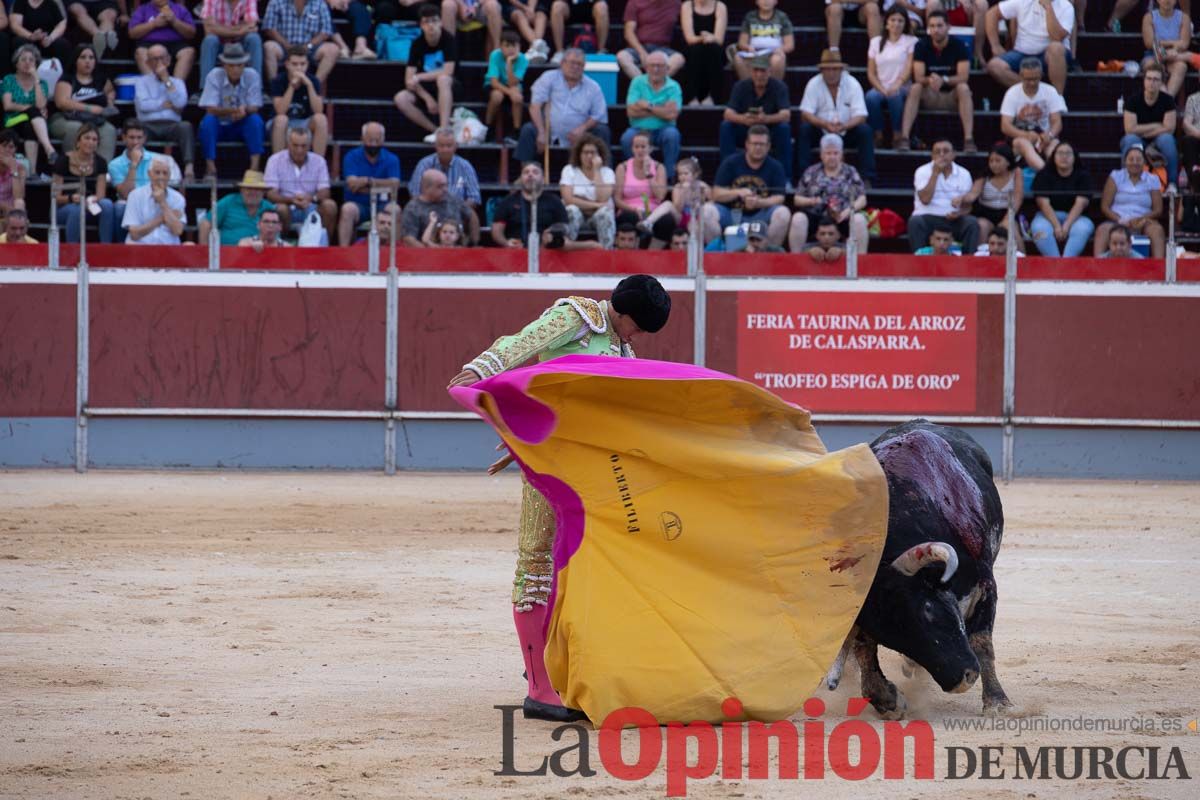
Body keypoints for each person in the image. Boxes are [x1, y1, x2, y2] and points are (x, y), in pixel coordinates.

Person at [446, 273, 671, 722]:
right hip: (549, 466)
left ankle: (570, 675)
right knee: (536, 563)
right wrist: (480, 371)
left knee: (585, 563)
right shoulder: (578, 317)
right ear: (622, 312)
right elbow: (522, 345)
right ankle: (539, 688)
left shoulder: (624, 350)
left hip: (588, 470)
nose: (638, 337)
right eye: (638, 327)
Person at [513, 49, 610, 164]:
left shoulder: (593, 87)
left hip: (580, 135)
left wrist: (582, 128)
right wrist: (541, 131)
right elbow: (535, 106)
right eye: (572, 63)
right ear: (562, 63)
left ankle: (605, 174)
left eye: (579, 64)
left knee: (602, 131)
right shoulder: (548, 78)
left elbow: (599, 114)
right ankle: (526, 173)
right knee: (528, 130)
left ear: (584, 67)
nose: (575, 67)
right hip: (548, 131)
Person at [897, 10, 974, 153]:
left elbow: (964, 76)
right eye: (932, 26)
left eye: (939, 26)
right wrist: (931, 79)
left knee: (963, 87)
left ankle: (968, 139)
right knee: (915, 87)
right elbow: (919, 76)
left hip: (951, 96)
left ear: (948, 27)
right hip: (930, 95)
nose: (935, 30)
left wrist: (943, 79)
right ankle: (904, 137)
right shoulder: (921, 45)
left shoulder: (959, 46)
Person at [797, 49, 875, 187]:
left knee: (865, 131)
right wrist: (824, 124)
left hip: (846, 130)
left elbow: (861, 115)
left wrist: (845, 126)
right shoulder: (814, 84)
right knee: (804, 130)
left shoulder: (852, 83)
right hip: (821, 130)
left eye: (835, 69)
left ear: (841, 70)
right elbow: (806, 113)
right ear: (822, 70)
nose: (831, 73)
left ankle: (867, 177)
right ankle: (803, 176)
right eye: (827, 69)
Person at [708, 124, 791, 248]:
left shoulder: (776, 166)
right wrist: (737, 192)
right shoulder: (731, 162)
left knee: (783, 213)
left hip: (761, 214)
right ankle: (718, 253)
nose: (758, 147)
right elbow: (716, 193)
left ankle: (769, 255)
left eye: (762, 144)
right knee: (706, 211)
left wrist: (759, 202)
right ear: (747, 144)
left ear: (768, 146)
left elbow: (779, 198)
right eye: (754, 143)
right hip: (731, 213)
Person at [788, 134, 868, 256]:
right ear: (821, 155)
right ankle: (796, 259)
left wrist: (848, 211)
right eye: (828, 153)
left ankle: (861, 261)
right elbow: (797, 199)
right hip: (816, 217)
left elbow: (862, 199)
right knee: (798, 218)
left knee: (859, 220)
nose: (832, 157)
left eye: (835, 153)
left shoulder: (850, 171)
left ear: (841, 155)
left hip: (842, 217)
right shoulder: (811, 171)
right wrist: (811, 201)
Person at [492, 161, 597, 250]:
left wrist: (553, 236)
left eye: (535, 172)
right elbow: (496, 230)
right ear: (521, 178)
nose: (530, 175)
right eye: (526, 172)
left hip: (548, 253)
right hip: (515, 253)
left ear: (543, 179)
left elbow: (564, 228)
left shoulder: (554, 201)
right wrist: (506, 243)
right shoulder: (508, 201)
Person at [198, 42, 264, 179]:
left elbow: (255, 106)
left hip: (242, 123)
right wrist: (233, 111)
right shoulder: (214, 75)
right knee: (207, 122)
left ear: (244, 65)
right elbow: (210, 108)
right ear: (224, 65)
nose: (235, 69)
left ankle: (254, 168)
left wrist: (244, 110)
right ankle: (211, 168)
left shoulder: (252, 75)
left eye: (239, 65)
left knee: (255, 121)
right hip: (220, 124)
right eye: (231, 65)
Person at [719, 57, 792, 178]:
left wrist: (766, 119)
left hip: (769, 130)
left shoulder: (779, 86)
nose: (759, 74)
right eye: (756, 70)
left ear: (769, 71)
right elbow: (728, 113)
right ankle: (727, 174)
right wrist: (743, 119)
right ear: (751, 72)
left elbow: (786, 115)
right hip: (746, 129)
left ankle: (785, 178)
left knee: (784, 128)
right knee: (726, 126)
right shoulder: (740, 86)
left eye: (763, 71)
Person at [394, 4, 459, 137]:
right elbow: (409, 79)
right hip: (426, 90)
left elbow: (448, 71)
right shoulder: (417, 44)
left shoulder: (449, 40)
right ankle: (435, 131)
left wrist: (420, 77)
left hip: (450, 87)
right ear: (421, 26)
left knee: (443, 79)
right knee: (401, 98)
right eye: (426, 22)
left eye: (434, 21)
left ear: (440, 22)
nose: (431, 25)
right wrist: (427, 98)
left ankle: (444, 127)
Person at [407, 127, 481, 243]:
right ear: (435, 146)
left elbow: (474, 197)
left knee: (471, 215)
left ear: (456, 146)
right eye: (441, 146)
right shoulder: (424, 164)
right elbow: (415, 194)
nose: (445, 149)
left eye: (449, 146)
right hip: (427, 210)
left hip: (455, 213)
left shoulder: (465, 166)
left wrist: (456, 207)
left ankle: (473, 247)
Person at [986, 0, 1075, 95]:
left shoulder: (1066, 6)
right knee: (994, 66)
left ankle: (1057, 98)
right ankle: (1037, 92)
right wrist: (995, 45)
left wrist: (1048, 7)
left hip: (1049, 56)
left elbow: (1057, 37)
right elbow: (992, 14)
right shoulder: (1023, 1)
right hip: (1022, 53)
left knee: (1056, 48)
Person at [134, 43, 196, 180]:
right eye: (154, 59)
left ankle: (189, 167)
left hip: (171, 125)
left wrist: (166, 80)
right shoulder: (141, 82)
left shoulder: (177, 82)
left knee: (185, 127)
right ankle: (134, 168)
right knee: (135, 129)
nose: (158, 63)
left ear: (168, 60)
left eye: (161, 58)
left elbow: (180, 103)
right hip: (147, 125)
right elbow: (143, 106)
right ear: (147, 62)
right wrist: (164, 104)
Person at [263, 126, 337, 239]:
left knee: (330, 206)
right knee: (281, 209)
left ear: (310, 145)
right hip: (286, 205)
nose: (299, 150)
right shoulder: (274, 160)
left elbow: (325, 191)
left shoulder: (319, 161)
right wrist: (291, 200)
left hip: (311, 206)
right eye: (295, 145)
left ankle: (325, 247)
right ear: (288, 144)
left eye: (304, 146)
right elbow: (270, 194)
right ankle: (281, 245)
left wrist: (311, 198)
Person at [908, 137, 980, 253]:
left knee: (971, 223)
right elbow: (925, 199)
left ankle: (968, 264)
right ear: (932, 155)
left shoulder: (964, 174)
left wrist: (959, 213)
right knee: (915, 222)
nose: (941, 155)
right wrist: (935, 173)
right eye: (937, 152)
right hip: (927, 218)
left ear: (954, 154)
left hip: (953, 220)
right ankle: (919, 264)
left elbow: (968, 207)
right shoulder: (922, 171)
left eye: (946, 151)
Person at [49, 44, 119, 162]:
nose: (88, 61)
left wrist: (110, 102)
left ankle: (101, 170)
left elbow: (111, 91)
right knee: (76, 128)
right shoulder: (67, 78)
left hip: (95, 120)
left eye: (91, 58)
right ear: (75, 60)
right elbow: (61, 102)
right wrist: (89, 108)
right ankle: (73, 166)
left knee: (109, 130)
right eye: (83, 57)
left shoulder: (100, 79)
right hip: (66, 119)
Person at [108, 119, 182, 228]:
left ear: (144, 138)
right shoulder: (114, 164)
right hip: (130, 204)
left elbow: (165, 188)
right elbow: (125, 194)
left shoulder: (158, 160)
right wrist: (133, 164)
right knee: (119, 209)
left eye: (139, 138)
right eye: (131, 137)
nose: (135, 142)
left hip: (154, 201)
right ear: (123, 138)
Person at [1095, 141, 1165, 257]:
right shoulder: (1116, 176)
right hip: (1117, 220)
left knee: (1157, 230)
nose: (1135, 163)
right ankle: (1097, 269)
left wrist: (1141, 219)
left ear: (1144, 162)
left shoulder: (1152, 179)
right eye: (1131, 159)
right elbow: (1105, 206)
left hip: (1143, 221)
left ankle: (1159, 269)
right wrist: (1120, 220)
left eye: (1138, 159)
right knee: (1102, 229)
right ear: (1125, 161)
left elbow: (1158, 210)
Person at [620, 50, 682, 179]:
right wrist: (662, 109)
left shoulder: (674, 86)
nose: (655, 69)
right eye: (652, 65)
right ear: (646, 68)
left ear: (667, 68)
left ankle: (668, 178)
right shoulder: (637, 82)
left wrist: (648, 106)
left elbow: (671, 115)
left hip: (664, 129)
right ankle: (633, 176)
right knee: (627, 138)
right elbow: (631, 111)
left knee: (672, 135)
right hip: (639, 129)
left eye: (660, 66)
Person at [337, 122, 401, 246]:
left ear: (383, 140)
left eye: (377, 140)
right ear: (362, 139)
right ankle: (343, 251)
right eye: (370, 140)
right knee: (347, 209)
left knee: (396, 209)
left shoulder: (391, 159)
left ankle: (395, 250)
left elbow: (395, 185)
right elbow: (352, 185)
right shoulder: (351, 156)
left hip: (382, 205)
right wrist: (382, 186)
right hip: (358, 204)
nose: (373, 144)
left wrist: (367, 181)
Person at [999, 56, 1065, 171]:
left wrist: (1049, 135)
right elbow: (1005, 126)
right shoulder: (1012, 93)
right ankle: (1045, 172)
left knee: (1055, 147)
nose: (1032, 83)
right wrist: (1026, 135)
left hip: (1044, 135)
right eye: (1028, 79)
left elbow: (1057, 122)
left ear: (1040, 75)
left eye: (1035, 79)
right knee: (1024, 144)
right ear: (1021, 75)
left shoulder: (1050, 91)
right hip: (1019, 136)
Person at [52, 123, 114, 242]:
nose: (90, 142)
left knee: (107, 204)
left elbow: (101, 194)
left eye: (94, 139)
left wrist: (90, 200)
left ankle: (106, 248)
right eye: (87, 138)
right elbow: (55, 196)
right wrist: (71, 198)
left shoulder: (100, 162)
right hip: (65, 208)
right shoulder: (63, 161)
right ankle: (72, 252)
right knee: (77, 209)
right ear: (78, 141)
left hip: (89, 205)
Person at [865, 5, 917, 147]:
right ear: (886, 23)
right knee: (871, 97)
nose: (896, 24)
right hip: (881, 85)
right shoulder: (875, 42)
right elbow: (871, 72)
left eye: (900, 21)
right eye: (893, 20)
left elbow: (909, 68)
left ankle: (897, 135)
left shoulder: (910, 41)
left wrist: (897, 84)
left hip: (903, 86)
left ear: (905, 23)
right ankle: (878, 134)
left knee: (895, 95)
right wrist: (880, 88)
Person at [1030, 140, 1093, 256]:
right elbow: (1043, 204)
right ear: (1053, 156)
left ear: (1075, 157)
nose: (1064, 157)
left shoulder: (1084, 176)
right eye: (1060, 153)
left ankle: (1066, 263)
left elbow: (1081, 203)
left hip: (1077, 218)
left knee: (1082, 229)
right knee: (1039, 228)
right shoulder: (1043, 175)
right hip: (1047, 217)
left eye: (1068, 154)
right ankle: (1055, 263)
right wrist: (1057, 226)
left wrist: (1066, 226)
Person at [1121, 62, 1179, 188]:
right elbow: (1130, 129)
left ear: (1161, 83)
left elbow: (1169, 128)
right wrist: (1158, 126)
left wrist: (1143, 130)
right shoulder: (1133, 101)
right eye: (1149, 79)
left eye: (1156, 79)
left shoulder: (1168, 101)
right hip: (1139, 139)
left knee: (1167, 140)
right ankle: (1125, 182)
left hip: (1159, 139)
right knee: (1130, 139)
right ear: (1144, 81)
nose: (1152, 82)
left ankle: (1172, 184)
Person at [613, 130, 674, 247]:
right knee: (629, 217)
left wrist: (648, 174)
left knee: (667, 221)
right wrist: (634, 209)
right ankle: (632, 249)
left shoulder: (659, 167)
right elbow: (617, 199)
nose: (640, 150)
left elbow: (661, 196)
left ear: (650, 149)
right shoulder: (622, 167)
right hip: (630, 210)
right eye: (636, 147)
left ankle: (652, 253)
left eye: (643, 147)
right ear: (632, 149)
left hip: (653, 212)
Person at [2, 45, 56, 174]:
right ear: (16, 64)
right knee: (33, 111)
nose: (28, 63)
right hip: (12, 121)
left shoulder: (42, 83)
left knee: (30, 126)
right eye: (23, 59)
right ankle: (49, 148)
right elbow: (7, 105)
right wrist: (29, 108)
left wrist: (36, 80)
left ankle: (31, 171)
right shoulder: (9, 79)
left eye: (31, 60)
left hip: (32, 123)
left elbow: (41, 104)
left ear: (36, 64)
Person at [640, 155, 718, 242]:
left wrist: (702, 204)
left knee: (694, 225)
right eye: (680, 174)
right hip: (682, 217)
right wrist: (683, 192)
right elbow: (678, 208)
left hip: (697, 218)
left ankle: (697, 251)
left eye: (686, 173)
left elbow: (713, 200)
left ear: (695, 175)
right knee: (668, 204)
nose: (682, 176)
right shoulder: (677, 187)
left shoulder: (702, 186)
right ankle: (648, 222)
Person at [559, 134, 616, 249]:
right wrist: (596, 205)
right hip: (578, 213)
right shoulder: (569, 170)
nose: (589, 156)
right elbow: (568, 200)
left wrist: (596, 170)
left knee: (605, 213)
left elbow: (603, 198)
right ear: (579, 155)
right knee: (571, 210)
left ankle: (606, 253)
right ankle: (567, 250)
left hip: (597, 215)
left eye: (593, 152)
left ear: (599, 155)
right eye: (585, 152)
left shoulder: (607, 172)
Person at [270, 44, 328, 156]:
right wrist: (291, 86)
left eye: (303, 64)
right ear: (287, 64)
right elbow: (280, 111)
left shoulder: (313, 81)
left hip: (304, 123)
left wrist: (310, 86)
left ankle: (317, 167)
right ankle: (278, 166)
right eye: (295, 64)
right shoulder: (279, 80)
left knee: (321, 119)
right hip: (280, 124)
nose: (299, 68)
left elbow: (318, 111)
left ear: (307, 64)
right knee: (281, 120)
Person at [261, 0, 339, 84]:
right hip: (284, 47)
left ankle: (314, 87)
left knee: (332, 49)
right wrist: (287, 45)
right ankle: (274, 88)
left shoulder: (320, 3)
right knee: (269, 47)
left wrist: (308, 45)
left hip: (310, 48)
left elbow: (326, 31)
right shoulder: (276, 2)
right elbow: (269, 28)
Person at [961, 143, 1022, 247]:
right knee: (982, 226)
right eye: (991, 161)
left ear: (1008, 161)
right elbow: (973, 194)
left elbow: (1018, 197)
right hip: (986, 213)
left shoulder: (1016, 172)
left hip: (1007, 211)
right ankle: (979, 258)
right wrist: (962, 199)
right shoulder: (985, 174)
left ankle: (1022, 258)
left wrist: (1008, 217)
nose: (993, 164)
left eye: (998, 161)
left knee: (1011, 227)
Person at [200, 169, 275, 246]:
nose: (252, 192)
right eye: (249, 189)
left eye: (257, 189)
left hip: (260, 253)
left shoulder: (269, 207)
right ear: (241, 190)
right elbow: (205, 224)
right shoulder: (228, 201)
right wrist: (205, 253)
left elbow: (276, 233)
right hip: (228, 254)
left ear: (263, 192)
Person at [121, 156, 186, 244]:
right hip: (140, 247)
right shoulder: (135, 195)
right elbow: (134, 234)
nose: (161, 177)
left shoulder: (178, 198)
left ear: (170, 175)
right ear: (149, 174)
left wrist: (163, 202)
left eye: (165, 173)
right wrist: (161, 219)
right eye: (157, 172)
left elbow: (178, 231)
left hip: (169, 249)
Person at [129, 0, 198, 80]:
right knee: (140, 52)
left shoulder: (180, 9)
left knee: (189, 52)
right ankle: (153, 86)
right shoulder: (142, 9)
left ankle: (176, 87)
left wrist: (174, 21)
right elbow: (132, 33)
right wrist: (154, 24)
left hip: (175, 44)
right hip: (149, 44)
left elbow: (191, 34)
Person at [617, 0, 684, 80]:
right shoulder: (635, 2)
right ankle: (644, 86)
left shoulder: (675, 3)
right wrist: (641, 52)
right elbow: (628, 33)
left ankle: (655, 85)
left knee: (679, 59)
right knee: (622, 56)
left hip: (663, 48)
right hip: (639, 47)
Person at [200, 0, 264, 81]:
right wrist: (240, 31)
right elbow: (208, 29)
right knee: (209, 40)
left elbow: (251, 26)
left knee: (254, 38)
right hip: (220, 44)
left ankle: (257, 87)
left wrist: (219, 28)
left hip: (241, 44)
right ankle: (204, 88)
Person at [1143, 0, 1194, 98]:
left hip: (1175, 55)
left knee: (1181, 66)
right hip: (1153, 54)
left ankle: (1167, 100)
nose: (1167, 0)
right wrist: (1172, 44)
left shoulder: (1184, 18)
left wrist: (1170, 48)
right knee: (1151, 66)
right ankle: (1163, 100)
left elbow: (1184, 43)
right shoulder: (1149, 17)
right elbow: (1149, 43)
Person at [732, 0, 793, 81]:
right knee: (738, 58)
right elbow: (742, 42)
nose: (766, 1)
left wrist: (779, 49)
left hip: (773, 54)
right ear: (756, 1)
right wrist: (748, 48)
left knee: (777, 59)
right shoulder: (750, 17)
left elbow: (790, 45)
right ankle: (749, 88)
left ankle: (773, 90)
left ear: (776, 1)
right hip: (754, 53)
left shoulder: (782, 17)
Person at [680, 0, 726, 105]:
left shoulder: (720, 6)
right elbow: (689, 38)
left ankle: (713, 97)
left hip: (714, 47)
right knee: (696, 51)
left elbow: (719, 39)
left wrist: (711, 38)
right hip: (693, 47)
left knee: (712, 49)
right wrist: (703, 37)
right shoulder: (687, 5)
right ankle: (692, 97)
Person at [400, 169, 463, 247]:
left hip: (456, 252)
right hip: (425, 253)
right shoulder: (413, 208)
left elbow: (471, 216)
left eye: (446, 185)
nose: (445, 189)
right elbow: (409, 239)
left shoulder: (452, 200)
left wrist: (473, 243)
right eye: (440, 186)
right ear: (426, 187)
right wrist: (431, 253)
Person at [544, 0, 610, 66]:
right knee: (557, 6)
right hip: (570, 6)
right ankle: (559, 51)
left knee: (602, 6)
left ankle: (600, 51)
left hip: (592, 6)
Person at [484, 30, 527, 131]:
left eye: (514, 46)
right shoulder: (494, 55)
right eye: (507, 45)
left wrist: (509, 63)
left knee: (518, 97)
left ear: (519, 47)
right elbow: (494, 82)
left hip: (512, 85)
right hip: (495, 85)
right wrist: (510, 93)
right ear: (500, 47)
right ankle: (488, 126)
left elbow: (512, 83)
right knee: (497, 96)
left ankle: (516, 130)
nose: (511, 49)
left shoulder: (523, 59)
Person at [9, 0, 72, 65]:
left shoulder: (52, 3)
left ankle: (64, 74)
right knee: (18, 41)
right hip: (27, 38)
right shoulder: (20, 3)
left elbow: (60, 25)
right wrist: (31, 36)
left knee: (62, 44)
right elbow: (15, 25)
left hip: (47, 40)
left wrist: (50, 38)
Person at [0, 130, 28, 219]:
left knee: (20, 203)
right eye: (4, 146)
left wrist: (13, 170)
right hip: (6, 208)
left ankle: (17, 228)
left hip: (11, 209)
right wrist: (5, 207)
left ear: (15, 150)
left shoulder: (20, 168)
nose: (7, 150)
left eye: (11, 147)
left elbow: (19, 196)